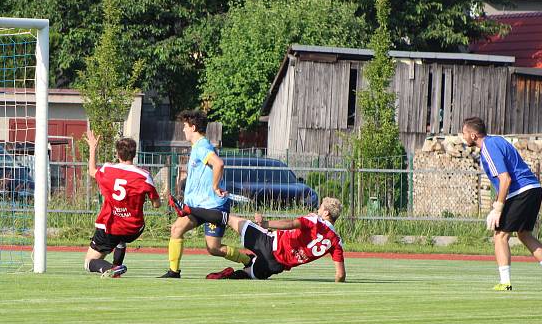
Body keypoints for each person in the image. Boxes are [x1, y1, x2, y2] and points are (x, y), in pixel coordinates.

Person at [462, 116, 542, 291]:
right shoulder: (497, 140)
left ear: (473, 135)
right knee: (524, 234)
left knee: (500, 236)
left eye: (464, 133)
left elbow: (505, 179)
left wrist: (498, 208)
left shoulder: (487, 148)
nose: (462, 137)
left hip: (520, 190)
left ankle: (505, 282)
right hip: (534, 188)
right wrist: (498, 203)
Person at [160, 110, 251, 278]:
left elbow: (219, 164)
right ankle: (174, 272)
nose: (183, 130)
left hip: (213, 207)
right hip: (197, 207)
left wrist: (216, 187)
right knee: (176, 229)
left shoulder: (202, 147)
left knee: (213, 248)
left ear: (193, 127)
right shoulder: (198, 147)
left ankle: (248, 260)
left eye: (185, 126)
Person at [171, 197, 346, 281]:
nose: (317, 209)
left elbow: (291, 223)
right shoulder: (336, 242)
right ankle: (228, 276)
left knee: (229, 218)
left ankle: (188, 209)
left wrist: (266, 223)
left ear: (326, 213)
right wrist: (338, 282)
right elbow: (340, 274)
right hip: (276, 266)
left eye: (320, 207)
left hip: (269, 243)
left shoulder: (316, 221)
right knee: (247, 276)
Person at [84, 129, 160, 277]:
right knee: (121, 239)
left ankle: (112, 268)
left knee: (88, 263)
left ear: (118, 154)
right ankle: (117, 268)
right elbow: (156, 204)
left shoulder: (108, 169)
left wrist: (93, 147)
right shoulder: (144, 176)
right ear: (134, 154)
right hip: (134, 228)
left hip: (110, 226)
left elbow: (92, 171)